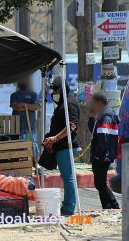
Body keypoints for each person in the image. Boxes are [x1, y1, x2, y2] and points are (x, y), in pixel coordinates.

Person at [43, 77, 80, 216]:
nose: (54, 93)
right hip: (60, 146)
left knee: (68, 177)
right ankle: (68, 205)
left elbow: (72, 125)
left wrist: (56, 137)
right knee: (66, 176)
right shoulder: (63, 103)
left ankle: (69, 207)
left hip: (66, 146)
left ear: (63, 89)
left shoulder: (70, 103)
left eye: (56, 90)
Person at [88, 93, 120, 209]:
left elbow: (103, 137)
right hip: (103, 154)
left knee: (101, 184)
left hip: (103, 155)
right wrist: (91, 118)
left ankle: (114, 206)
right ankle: (106, 206)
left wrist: (97, 155)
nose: (92, 105)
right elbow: (95, 132)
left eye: (93, 103)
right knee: (99, 184)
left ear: (100, 103)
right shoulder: (102, 115)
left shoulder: (106, 116)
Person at [10, 79, 39, 154]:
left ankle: (34, 162)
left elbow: (35, 107)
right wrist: (28, 106)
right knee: (17, 149)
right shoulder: (14, 95)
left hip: (30, 128)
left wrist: (24, 105)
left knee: (32, 147)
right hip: (16, 128)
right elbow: (16, 107)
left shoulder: (33, 94)